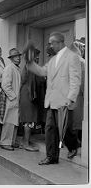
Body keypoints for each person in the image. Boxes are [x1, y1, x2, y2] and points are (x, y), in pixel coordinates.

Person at [26, 32, 81, 165]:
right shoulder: (52, 60)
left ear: (59, 42)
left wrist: (71, 98)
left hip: (64, 101)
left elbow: (75, 80)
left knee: (65, 130)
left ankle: (73, 146)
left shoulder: (72, 57)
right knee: (50, 129)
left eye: (51, 43)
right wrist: (29, 61)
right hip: (51, 101)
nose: (50, 45)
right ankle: (51, 157)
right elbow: (42, 72)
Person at [0, 48, 22, 151]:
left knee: (14, 122)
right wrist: (13, 97)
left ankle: (12, 142)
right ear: (11, 58)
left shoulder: (17, 68)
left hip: (16, 99)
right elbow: (5, 85)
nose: (18, 58)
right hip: (12, 99)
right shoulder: (9, 68)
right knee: (9, 121)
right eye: (15, 57)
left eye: (18, 56)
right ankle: (5, 142)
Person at [19, 49, 41, 152]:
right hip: (28, 96)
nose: (37, 58)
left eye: (38, 56)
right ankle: (26, 144)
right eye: (35, 56)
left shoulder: (28, 66)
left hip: (27, 95)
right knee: (28, 120)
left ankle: (25, 141)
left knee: (28, 120)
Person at [69, 42, 85, 146]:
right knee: (77, 120)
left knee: (72, 120)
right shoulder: (81, 61)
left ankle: (72, 144)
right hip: (79, 94)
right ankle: (75, 144)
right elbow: (83, 80)